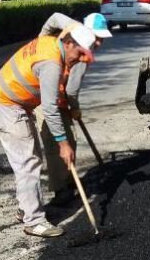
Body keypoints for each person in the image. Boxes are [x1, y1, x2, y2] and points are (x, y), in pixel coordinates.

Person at [0, 24, 98, 237]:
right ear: (69, 43)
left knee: (31, 157)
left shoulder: (51, 43)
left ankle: (25, 207)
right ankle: (34, 221)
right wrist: (63, 144)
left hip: (14, 102)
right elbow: (49, 108)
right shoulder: (52, 63)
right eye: (79, 53)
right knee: (28, 162)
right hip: (7, 105)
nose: (80, 59)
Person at [36, 12, 112, 205]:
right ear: (87, 32)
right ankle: (61, 190)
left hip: (55, 96)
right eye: (98, 38)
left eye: (102, 39)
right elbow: (72, 90)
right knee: (57, 144)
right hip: (45, 98)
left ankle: (69, 182)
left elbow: (52, 18)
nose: (99, 43)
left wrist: (41, 39)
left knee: (70, 140)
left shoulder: (71, 35)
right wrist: (75, 108)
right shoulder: (80, 51)